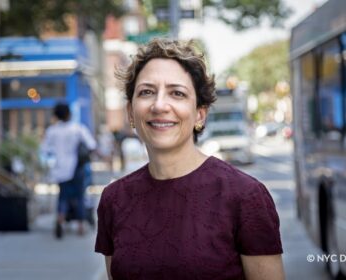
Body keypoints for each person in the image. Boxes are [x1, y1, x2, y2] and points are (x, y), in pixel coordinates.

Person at [95, 39, 285, 280]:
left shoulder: (245, 197)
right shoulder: (114, 200)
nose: (159, 105)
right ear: (131, 112)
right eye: (146, 92)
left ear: (199, 114)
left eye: (177, 93)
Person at [41, 103, 96, 239]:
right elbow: (91, 145)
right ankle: (80, 226)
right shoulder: (77, 129)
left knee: (63, 197)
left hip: (60, 169)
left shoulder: (52, 131)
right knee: (79, 196)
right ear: (69, 114)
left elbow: (45, 150)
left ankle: (60, 220)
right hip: (77, 168)